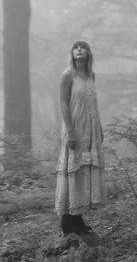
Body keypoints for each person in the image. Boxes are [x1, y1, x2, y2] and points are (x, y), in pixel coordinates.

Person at [55, 40, 105, 236]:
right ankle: (68, 219)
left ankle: (76, 217)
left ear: (88, 52)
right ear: (72, 53)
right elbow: (63, 103)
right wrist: (71, 131)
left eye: (82, 47)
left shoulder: (91, 75)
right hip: (74, 127)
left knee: (84, 169)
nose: (79, 50)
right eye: (76, 47)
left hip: (90, 128)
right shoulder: (68, 75)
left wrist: (99, 127)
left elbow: (93, 103)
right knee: (73, 167)